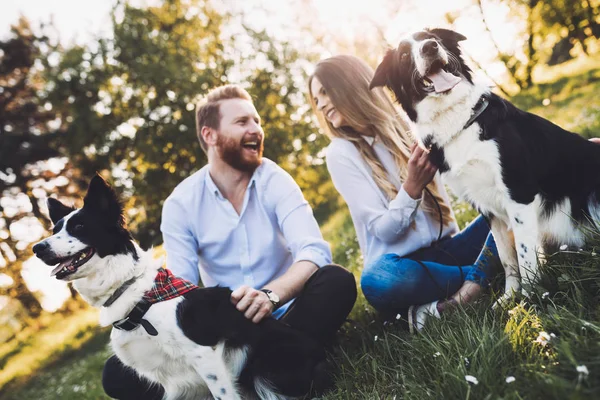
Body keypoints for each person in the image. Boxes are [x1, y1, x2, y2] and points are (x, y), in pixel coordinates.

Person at [102, 84, 357, 399]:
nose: (256, 130)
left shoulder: (275, 179)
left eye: (257, 121)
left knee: (337, 281)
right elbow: (179, 286)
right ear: (210, 135)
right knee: (116, 375)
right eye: (243, 122)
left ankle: (262, 370)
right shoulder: (181, 203)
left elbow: (312, 250)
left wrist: (270, 296)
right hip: (228, 335)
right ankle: (267, 370)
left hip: (287, 315)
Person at [308, 55, 500, 333]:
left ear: (350, 85)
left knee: (505, 204)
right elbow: (384, 232)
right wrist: (411, 189)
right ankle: (489, 270)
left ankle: (464, 290)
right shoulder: (341, 153)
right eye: (316, 100)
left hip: (449, 252)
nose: (322, 105)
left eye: (325, 92)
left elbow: (469, 163)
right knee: (378, 278)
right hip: (404, 268)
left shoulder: (411, 126)